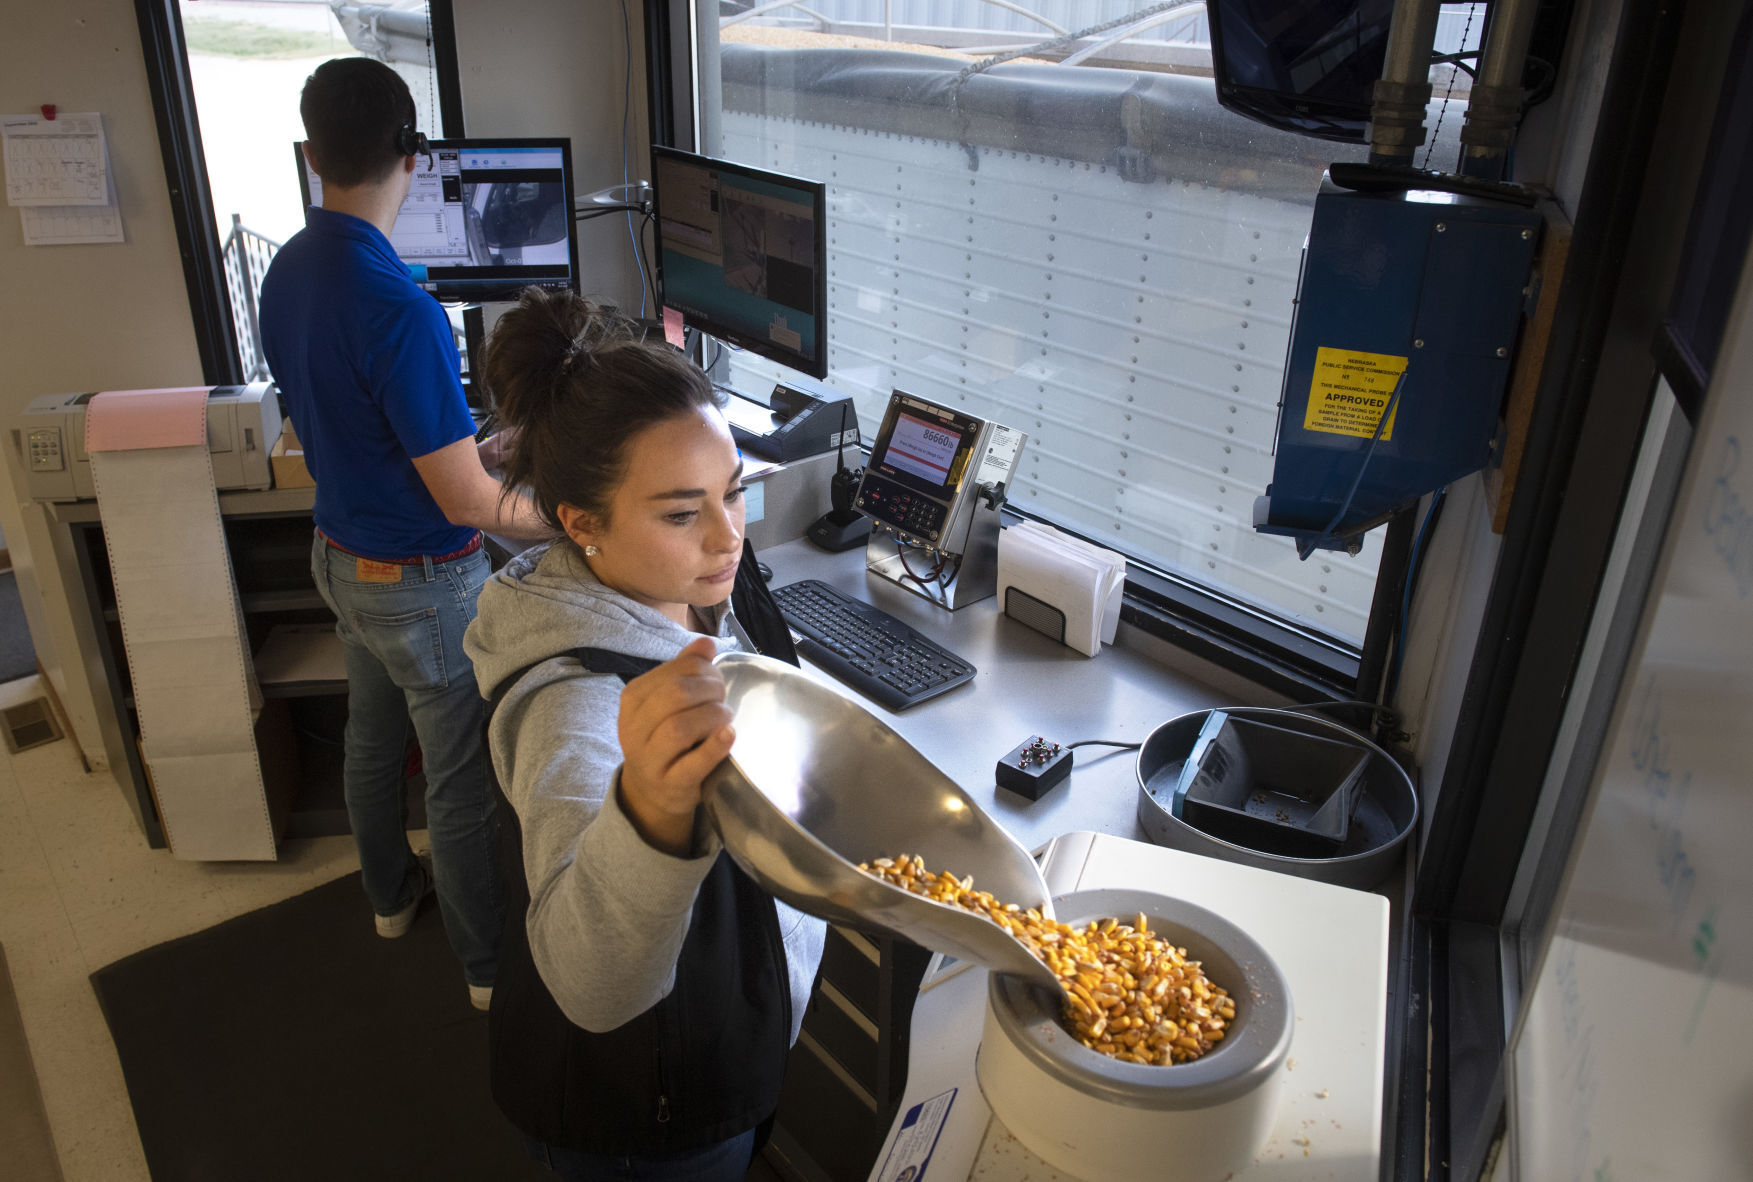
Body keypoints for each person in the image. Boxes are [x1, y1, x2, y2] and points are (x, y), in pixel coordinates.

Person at [463, 286, 827, 1180]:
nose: (727, 536)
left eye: (732, 493)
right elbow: (592, 984)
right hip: (647, 1112)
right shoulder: (573, 704)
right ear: (582, 524)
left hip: (730, 1026)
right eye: (681, 513)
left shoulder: (692, 580)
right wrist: (649, 812)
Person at [259, 57, 553, 1011]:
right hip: (422, 587)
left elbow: (339, 424)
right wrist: (579, 518)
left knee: (371, 744)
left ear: (312, 155)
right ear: (414, 156)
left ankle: (389, 901)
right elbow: (469, 507)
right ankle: (486, 971)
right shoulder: (403, 310)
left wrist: (475, 447)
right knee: (459, 785)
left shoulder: (289, 270)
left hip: (341, 560)